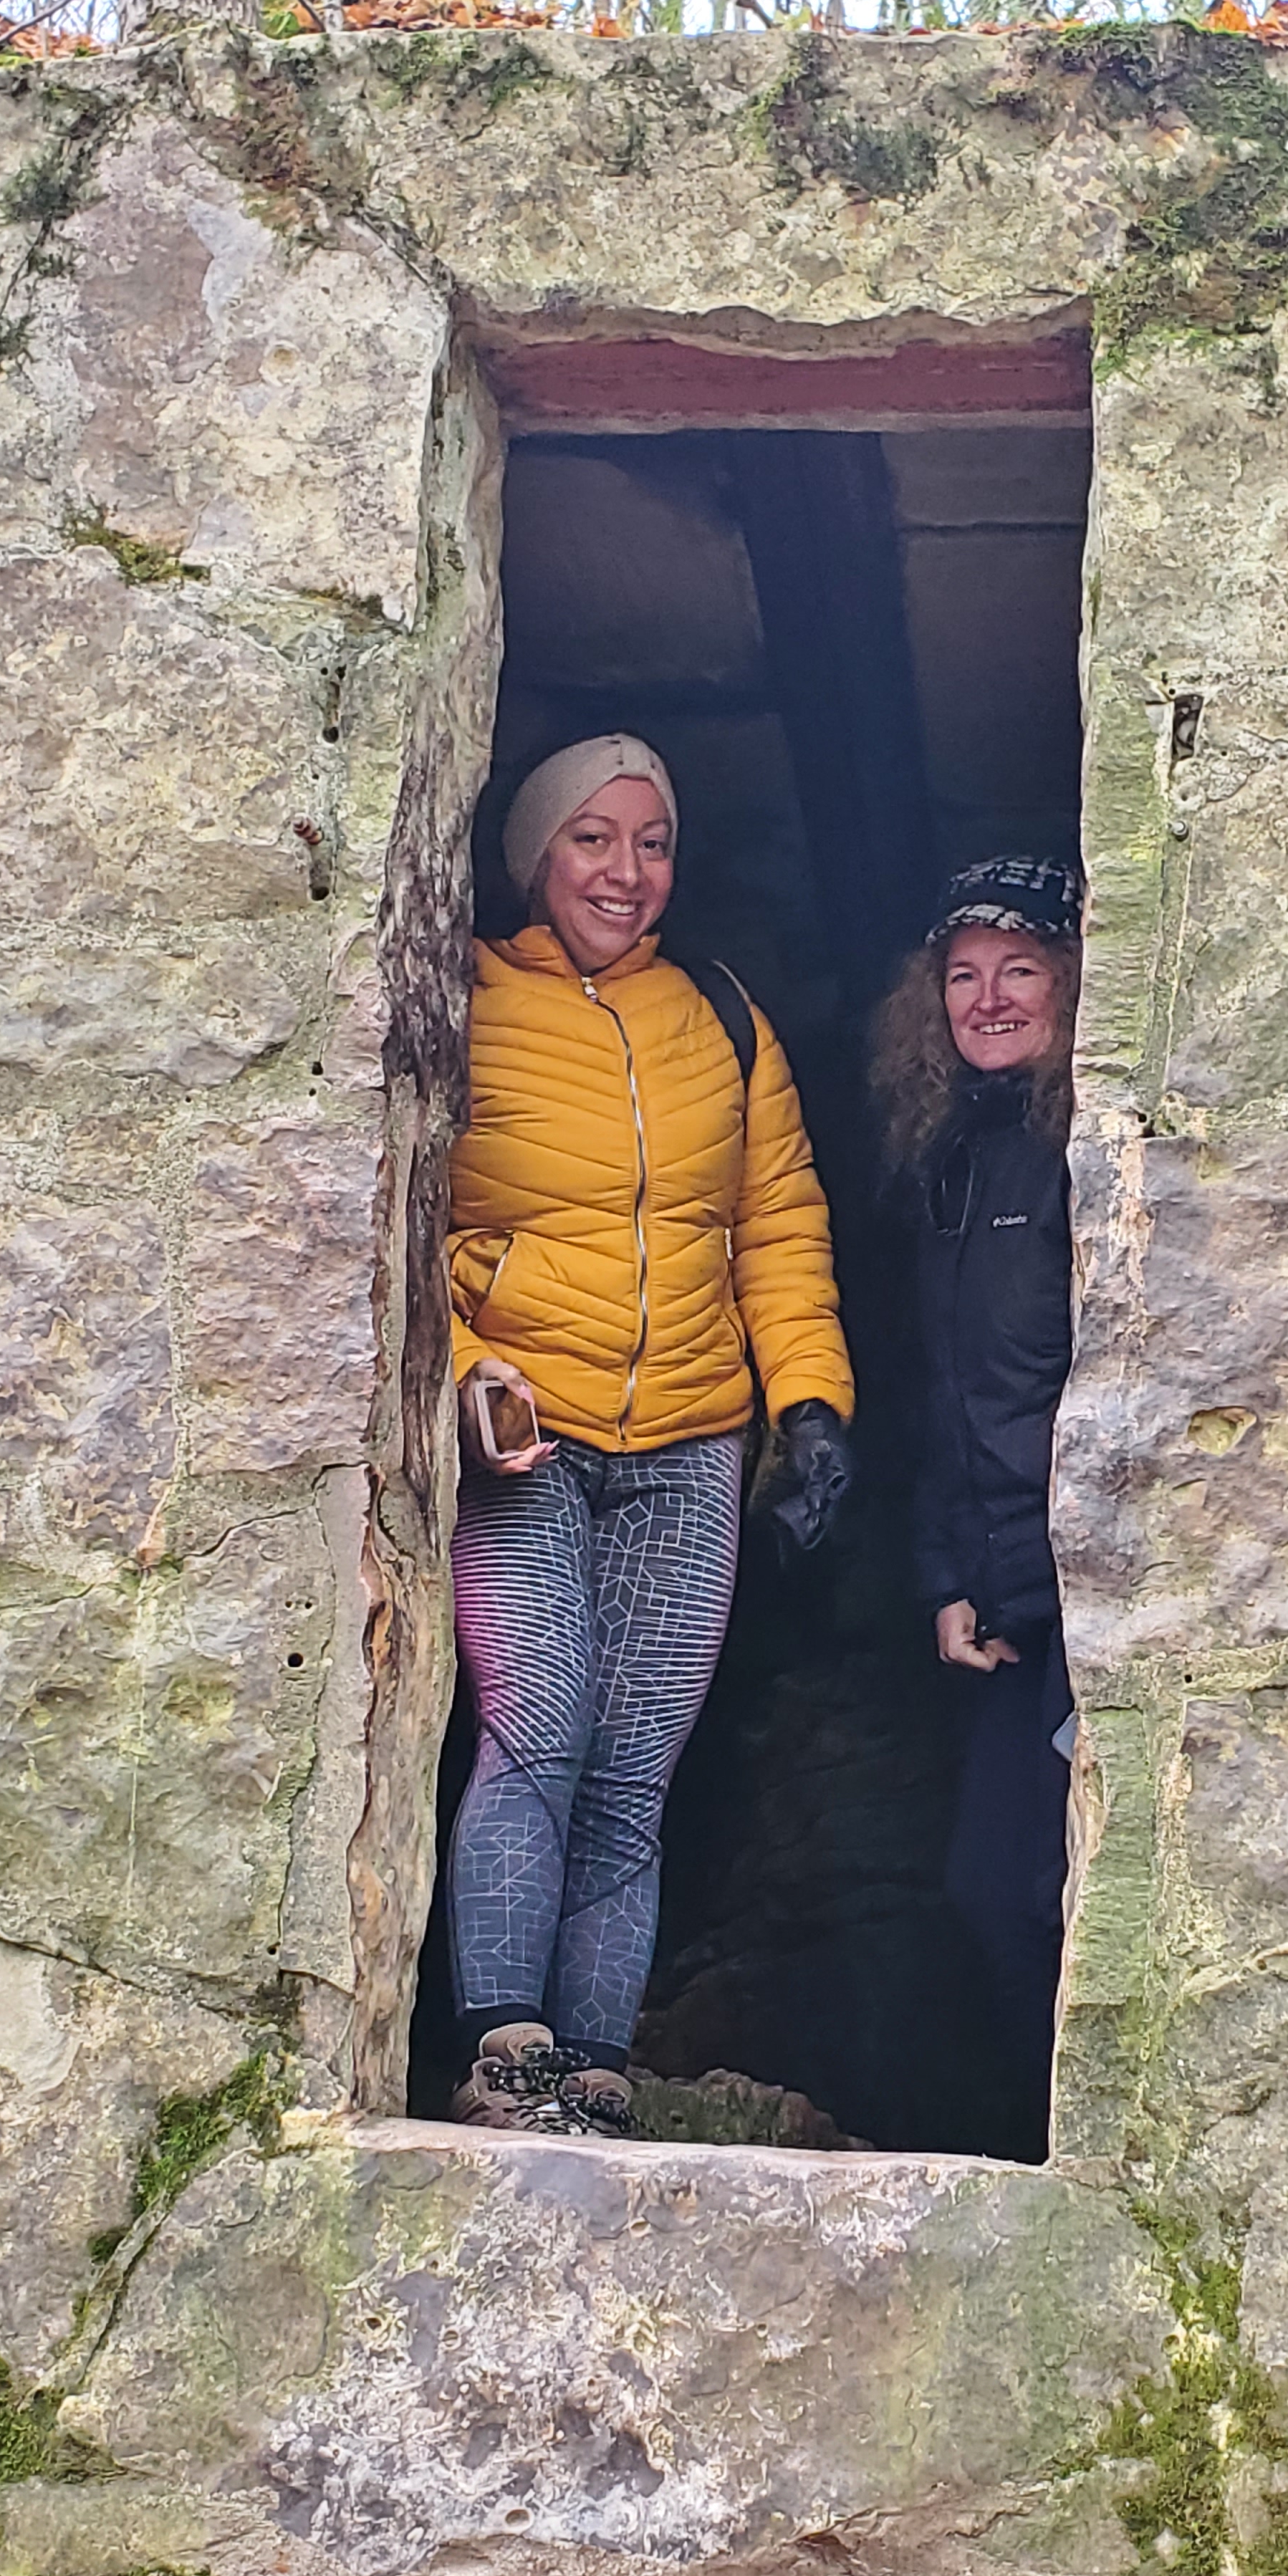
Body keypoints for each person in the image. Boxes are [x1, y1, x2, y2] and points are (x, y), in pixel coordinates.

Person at [443, 732, 855, 2138]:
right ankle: (505, 2050)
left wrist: (812, 1405)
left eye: (653, 841)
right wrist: (464, 1370)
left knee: (633, 1773)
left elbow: (781, 1227)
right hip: (528, 1436)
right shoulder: (461, 998)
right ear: (534, 856)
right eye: (593, 840)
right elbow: (388, 1218)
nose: (627, 871)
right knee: (536, 1729)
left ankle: (603, 2067)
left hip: (692, 1444)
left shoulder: (723, 1019)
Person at [872, 855, 1083, 2161]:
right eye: (964, 975)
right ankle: (1031, 2144)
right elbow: (939, 1400)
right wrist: (947, 1577)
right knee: (987, 1890)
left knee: (1054, 1895)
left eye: (1021, 969)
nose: (989, 998)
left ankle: (1083, 2148)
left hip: (1093, 1593)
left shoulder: (1093, 1146)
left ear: (1071, 981)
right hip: (1007, 1592)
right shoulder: (943, 1167)